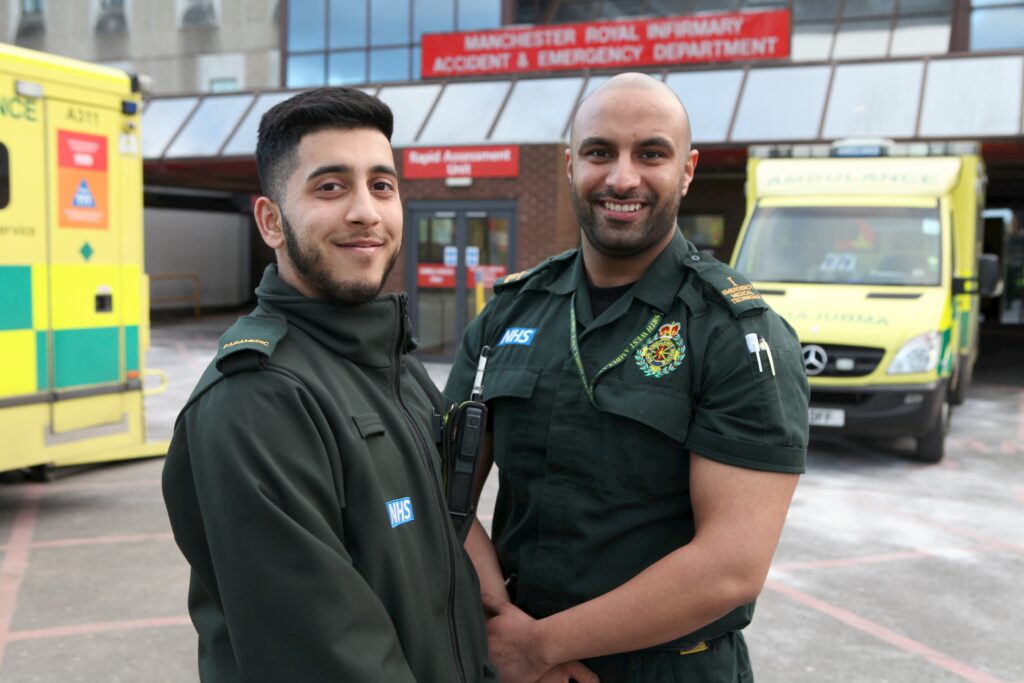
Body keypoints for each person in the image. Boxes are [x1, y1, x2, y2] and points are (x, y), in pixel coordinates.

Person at [445, 72, 810, 683]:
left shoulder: (737, 334)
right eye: (599, 152)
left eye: (651, 153)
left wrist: (541, 647)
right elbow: (439, 486)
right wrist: (499, 625)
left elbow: (731, 565)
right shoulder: (509, 312)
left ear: (687, 170)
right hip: (510, 660)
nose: (621, 178)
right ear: (569, 165)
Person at [162, 87, 498, 683]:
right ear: (270, 221)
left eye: (382, 185)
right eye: (331, 186)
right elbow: (333, 657)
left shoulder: (397, 367)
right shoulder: (257, 398)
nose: (366, 211)